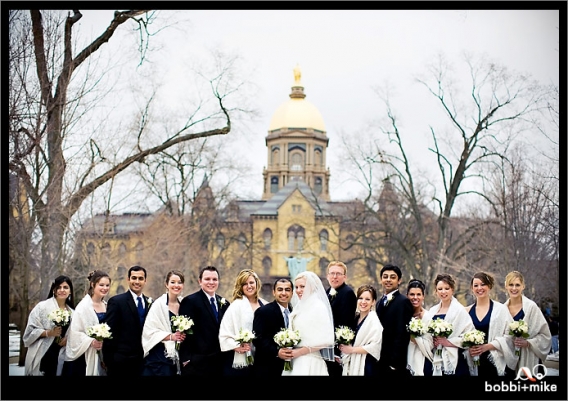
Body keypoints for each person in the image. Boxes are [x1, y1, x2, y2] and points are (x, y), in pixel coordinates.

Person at [178, 265, 230, 377]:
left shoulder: (225, 303)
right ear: (200, 281)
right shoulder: (190, 301)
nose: (211, 282)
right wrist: (186, 359)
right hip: (196, 364)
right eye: (207, 279)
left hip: (220, 362)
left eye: (214, 279)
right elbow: (184, 332)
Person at [420, 274, 474, 376]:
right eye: (440, 289)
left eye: (447, 288)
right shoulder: (432, 311)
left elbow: (469, 336)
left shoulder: (459, 311)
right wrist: (432, 340)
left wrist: (448, 342)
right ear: (436, 291)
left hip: (454, 359)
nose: (443, 292)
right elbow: (426, 333)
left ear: (452, 290)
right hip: (434, 357)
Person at [465, 271, 516, 377]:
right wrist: (468, 349)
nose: (479, 288)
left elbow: (510, 335)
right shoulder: (466, 311)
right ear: (472, 289)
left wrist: (489, 346)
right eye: (476, 285)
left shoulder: (501, 309)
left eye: (483, 284)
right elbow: (460, 337)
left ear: (489, 286)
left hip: (495, 362)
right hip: (474, 362)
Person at [103, 265, 150, 376]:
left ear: (145, 281)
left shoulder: (150, 302)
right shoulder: (116, 302)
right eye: (134, 278)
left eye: (140, 278)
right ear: (128, 279)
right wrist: (109, 361)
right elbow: (109, 333)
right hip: (120, 364)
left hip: (143, 363)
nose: (137, 281)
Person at [285, 270, 335, 375]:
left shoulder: (318, 306)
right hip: (295, 359)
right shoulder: (298, 306)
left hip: (311, 360)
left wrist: (301, 351)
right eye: (296, 287)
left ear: (311, 286)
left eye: (302, 286)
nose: (298, 290)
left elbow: (327, 340)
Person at [23, 275, 75, 376]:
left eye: (65, 287)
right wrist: (48, 333)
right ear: (54, 290)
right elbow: (29, 332)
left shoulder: (73, 313)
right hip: (43, 354)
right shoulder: (41, 307)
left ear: (70, 291)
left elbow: (77, 334)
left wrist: (68, 339)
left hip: (62, 355)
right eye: (59, 287)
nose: (62, 290)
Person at [219, 269, 267, 376]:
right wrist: (235, 346)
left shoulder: (265, 304)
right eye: (245, 284)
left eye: (251, 282)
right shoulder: (236, 306)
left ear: (257, 283)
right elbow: (224, 332)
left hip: (261, 357)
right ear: (240, 287)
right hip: (241, 358)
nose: (249, 286)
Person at [63, 270, 111, 376]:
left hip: (102, 353)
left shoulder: (107, 305)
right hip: (83, 357)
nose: (105, 288)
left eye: (107, 285)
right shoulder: (83, 307)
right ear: (93, 285)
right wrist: (91, 341)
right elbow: (75, 332)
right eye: (101, 285)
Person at [503, 270, 551, 374]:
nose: (514, 288)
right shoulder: (502, 309)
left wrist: (528, 343)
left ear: (523, 286)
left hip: (530, 361)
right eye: (511, 285)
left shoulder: (531, 307)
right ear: (506, 286)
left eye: (517, 285)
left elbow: (545, 336)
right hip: (509, 363)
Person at [141, 270, 187, 376]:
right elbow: (149, 331)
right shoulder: (158, 305)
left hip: (179, 356)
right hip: (160, 357)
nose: (176, 285)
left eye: (179, 282)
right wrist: (171, 336)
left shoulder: (185, 304)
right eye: (173, 282)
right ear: (166, 284)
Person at [375, 264, 413, 377]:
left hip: (394, 363)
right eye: (385, 277)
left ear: (399, 280)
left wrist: (395, 362)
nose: (388, 280)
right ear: (381, 279)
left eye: (392, 277)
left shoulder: (403, 302)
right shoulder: (379, 302)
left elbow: (403, 334)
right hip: (379, 358)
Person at [252, 278, 294, 377]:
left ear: (292, 293)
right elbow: (258, 339)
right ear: (274, 292)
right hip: (268, 368)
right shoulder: (263, 311)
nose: (283, 293)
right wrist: (277, 352)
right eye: (280, 289)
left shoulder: (294, 312)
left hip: (290, 366)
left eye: (287, 290)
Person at [339, 284, 383, 376]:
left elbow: (375, 346)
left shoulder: (374, 321)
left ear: (373, 302)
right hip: (352, 361)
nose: (363, 302)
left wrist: (352, 350)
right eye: (360, 298)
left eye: (367, 299)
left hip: (366, 365)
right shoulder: (355, 318)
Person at [325, 260, 357, 376]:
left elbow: (345, 324)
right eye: (332, 273)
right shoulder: (327, 292)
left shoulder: (348, 293)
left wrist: (337, 351)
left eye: (338, 274)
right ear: (327, 276)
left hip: (336, 350)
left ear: (345, 277)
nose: (335, 276)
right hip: (326, 346)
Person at [406, 278, 433, 375]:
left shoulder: (427, 317)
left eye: (418, 294)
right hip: (404, 359)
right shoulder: (403, 315)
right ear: (407, 296)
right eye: (412, 294)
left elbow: (430, 343)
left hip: (424, 362)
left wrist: (415, 337)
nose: (415, 297)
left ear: (423, 296)